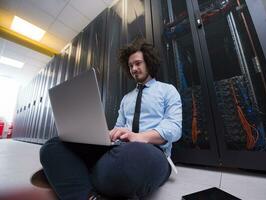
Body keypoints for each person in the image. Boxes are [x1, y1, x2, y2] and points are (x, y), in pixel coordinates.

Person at [40, 38, 182, 200]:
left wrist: (139, 137)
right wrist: (104, 134)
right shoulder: (126, 99)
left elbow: (174, 128)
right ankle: (89, 195)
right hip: (119, 150)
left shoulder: (167, 90)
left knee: (134, 157)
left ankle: (72, 175)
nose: (134, 69)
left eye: (138, 63)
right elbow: (119, 127)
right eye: (130, 66)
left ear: (149, 62)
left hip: (152, 152)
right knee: (52, 147)